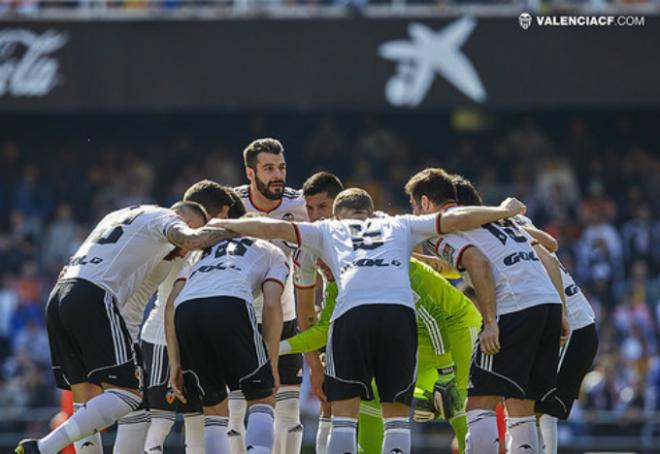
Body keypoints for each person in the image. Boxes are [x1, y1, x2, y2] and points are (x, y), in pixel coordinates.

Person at [212, 187, 524, 454]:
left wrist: (223, 224)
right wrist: (500, 210)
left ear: (337, 216)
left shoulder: (327, 230)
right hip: (398, 316)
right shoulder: (402, 225)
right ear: (372, 213)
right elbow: (455, 219)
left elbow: (273, 229)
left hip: (353, 315)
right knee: (397, 417)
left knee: (345, 415)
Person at [16, 202, 234, 454]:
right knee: (129, 397)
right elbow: (190, 239)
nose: (185, 255)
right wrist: (233, 229)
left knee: (86, 401)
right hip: (93, 298)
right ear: (190, 222)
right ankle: (43, 448)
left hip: (60, 295)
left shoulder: (118, 217)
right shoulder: (165, 219)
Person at [404, 168, 570, 454]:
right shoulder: (499, 222)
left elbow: (477, 263)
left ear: (427, 203)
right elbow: (548, 255)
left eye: (414, 206)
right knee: (521, 406)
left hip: (513, 308)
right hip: (547, 305)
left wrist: (490, 322)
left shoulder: (442, 227)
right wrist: (562, 313)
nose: (415, 213)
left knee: (478, 402)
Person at [282, 257, 482, 454]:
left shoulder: (388, 271)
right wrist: (278, 347)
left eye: (324, 259)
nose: (319, 265)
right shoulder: (338, 283)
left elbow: (433, 319)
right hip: (412, 332)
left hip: (455, 324)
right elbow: (324, 330)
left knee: (458, 400)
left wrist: (446, 373)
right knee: (372, 394)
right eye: (317, 260)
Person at [165, 213, 289, 454]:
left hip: (186, 311)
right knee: (261, 398)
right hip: (229, 304)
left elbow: (172, 303)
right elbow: (272, 305)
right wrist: (271, 364)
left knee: (213, 407)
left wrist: (174, 362)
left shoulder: (200, 252)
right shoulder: (273, 251)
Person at [137, 181, 243, 454]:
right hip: (161, 338)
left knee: (198, 422)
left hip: (194, 342)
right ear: (183, 221)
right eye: (197, 224)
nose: (199, 232)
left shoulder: (205, 251)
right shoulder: (161, 247)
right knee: (160, 421)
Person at [233, 138, 308, 454]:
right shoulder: (231, 204)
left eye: (281, 167)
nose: (277, 175)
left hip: (286, 313)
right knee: (236, 409)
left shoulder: (301, 204)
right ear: (251, 173)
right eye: (268, 169)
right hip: (240, 316)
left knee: (289, 408)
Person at [513, 214, 598, 454]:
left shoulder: (513, 235)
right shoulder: (518, 231)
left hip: (573, 329)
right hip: (570, 327)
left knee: (540, 406)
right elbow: (552, 244)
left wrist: (562, 313)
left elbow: (550, 254)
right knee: (534, 405)